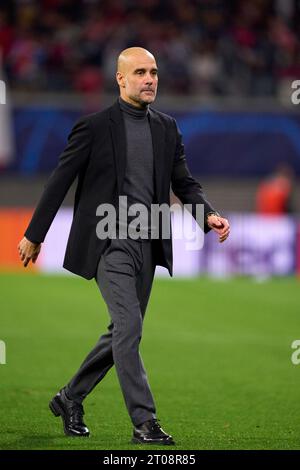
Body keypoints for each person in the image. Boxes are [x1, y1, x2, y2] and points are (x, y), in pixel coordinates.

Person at [18, 47, 230, 445]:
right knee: (130, 327)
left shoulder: (167, 127)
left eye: (153, 72)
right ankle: (144, 422)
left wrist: (207, 214)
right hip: (108, 242)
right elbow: (59, 181)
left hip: (148, 243)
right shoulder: (94, 127)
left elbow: (184, 182)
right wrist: (35, 234)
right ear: (120, 79)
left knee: (121, 331)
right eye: (140, 73)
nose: (150, 79)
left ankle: (70, 397)